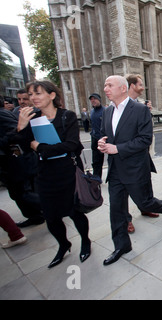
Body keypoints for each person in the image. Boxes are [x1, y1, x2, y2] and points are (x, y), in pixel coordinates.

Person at [99, 75, 162, 266]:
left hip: (135, 169)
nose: (106, 88)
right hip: (115, 170)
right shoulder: (108, 112)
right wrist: (102, 143)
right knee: (116, 210)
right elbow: (105, 135)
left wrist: (118, 148)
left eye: (110, 85)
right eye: (105, 85)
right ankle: (121, 245)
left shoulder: (140, 110)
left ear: (123, 88)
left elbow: (144, 140)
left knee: (146, 203)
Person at [14, 81, 91, 268]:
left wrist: (41, 148)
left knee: (75, 213)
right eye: (30, 94)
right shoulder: (31, 119)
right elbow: (22, 146)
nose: (33, 98)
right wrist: (21, 126)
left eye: (37, 93)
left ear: (52, 95)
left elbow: (71, 145)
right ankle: (64, 245)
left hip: (67, 173)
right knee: (51, 217)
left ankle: (86, 242)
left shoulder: (67, 116)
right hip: (45, 175)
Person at [0, 95, 43, 228]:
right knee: (18, 193)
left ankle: (55, 207)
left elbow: (19, 132)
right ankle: (36, 216)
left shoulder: (3, 115)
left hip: (18, 162)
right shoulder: (11, 113)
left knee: (24, 193)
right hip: (13, 162)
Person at [126, 74, 160, 227]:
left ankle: (146, 207)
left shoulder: (142, 105)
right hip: (125, 154)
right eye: (140, 83)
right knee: (123, 188)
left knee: (145, 181)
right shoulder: (119, 105)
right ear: (132, 85)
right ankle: (126, 220)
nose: (143, 86)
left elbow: (145, 132)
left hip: (142, 152)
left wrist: (147, 113)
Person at [88, 93, 106, 179]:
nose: (93, 101)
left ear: (99, 99)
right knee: (96, 160)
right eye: (91, 99)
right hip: (94, 138)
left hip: (103, 138)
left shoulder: (105, 111)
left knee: (111, 158)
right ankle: (96, 177)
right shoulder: (92, 112)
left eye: (94, 99)